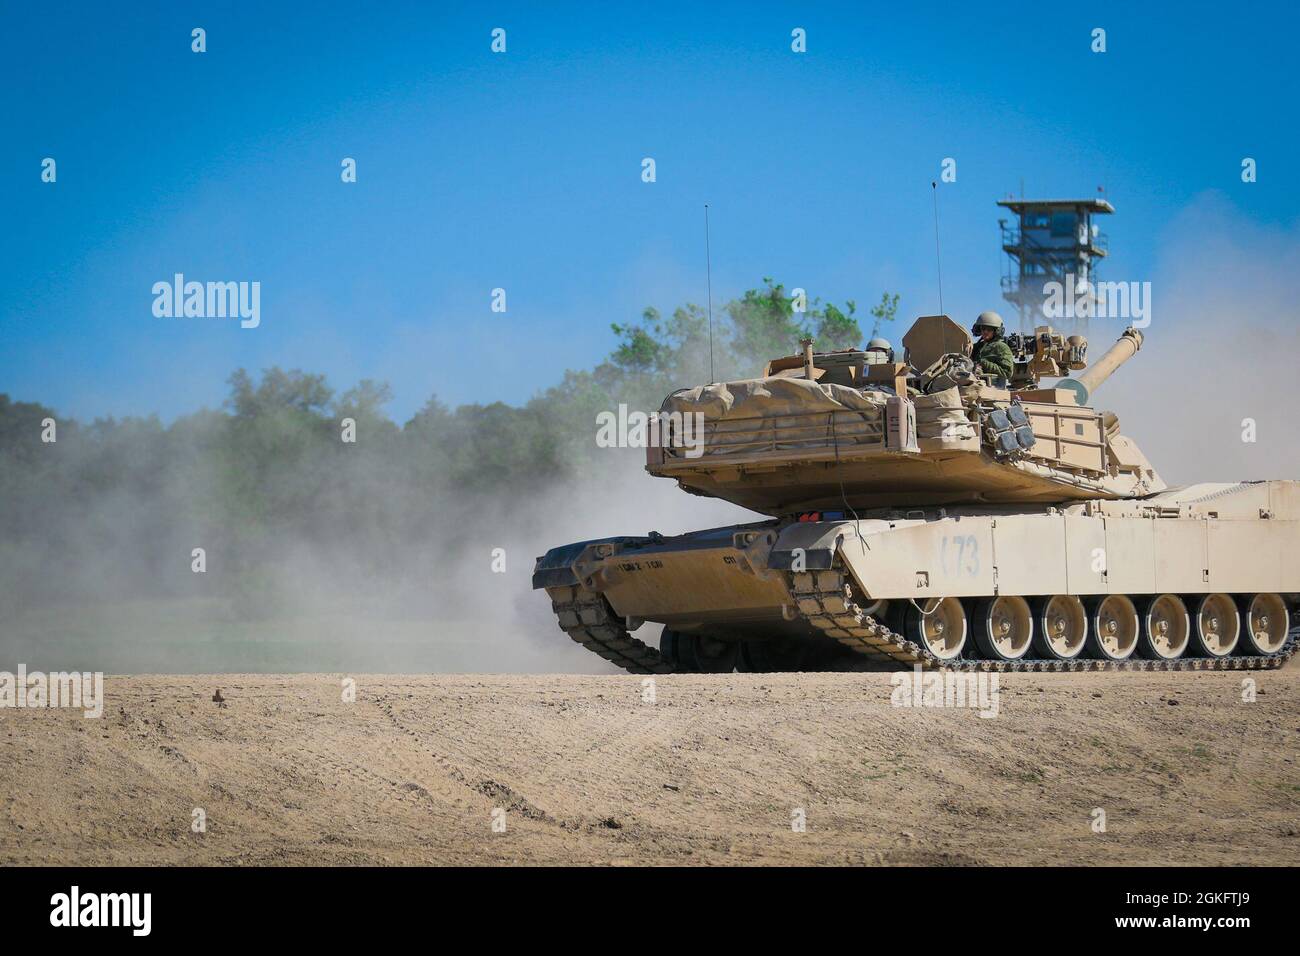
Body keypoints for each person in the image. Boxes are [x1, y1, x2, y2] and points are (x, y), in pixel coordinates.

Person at [969, 311, 1014, 382]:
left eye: (989, 329)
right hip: (975, 383)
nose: (985, 332)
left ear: (996, 331)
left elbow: (1007, 372)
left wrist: (983, 364)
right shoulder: (976, 347)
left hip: (994, 387)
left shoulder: (1001, 347)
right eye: (983, 329)